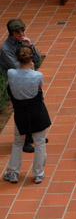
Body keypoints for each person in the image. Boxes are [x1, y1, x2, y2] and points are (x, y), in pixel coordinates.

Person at [4, 46, 51, 184]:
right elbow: (39, 87)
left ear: (17, 58)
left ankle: (12, 173)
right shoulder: (37, 75)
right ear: (31, 59)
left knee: (18, 142)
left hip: (20, 113)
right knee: (40, 142)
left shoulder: (11, 73)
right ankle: (38, 174)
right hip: (37, 112)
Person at [0, 18, 42, 153]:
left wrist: (31, 47)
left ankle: (31, 136)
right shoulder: (6, 48)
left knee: (34, 108)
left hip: (29, 81)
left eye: (23, 30)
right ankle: (23, 141)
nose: (22, 34)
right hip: (16, 85)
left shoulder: (26, 41)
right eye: (18, 32)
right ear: (11, 34)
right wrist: (30, 65)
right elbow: (16, 67)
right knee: (22, 113)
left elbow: (37, 59)